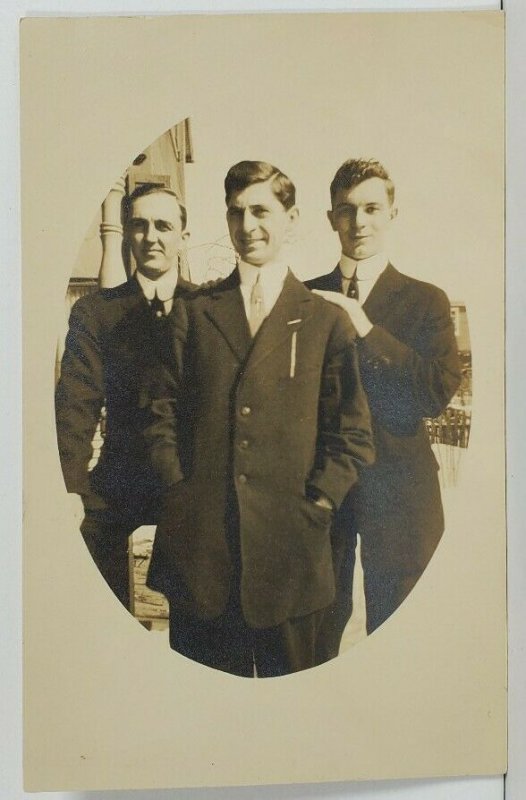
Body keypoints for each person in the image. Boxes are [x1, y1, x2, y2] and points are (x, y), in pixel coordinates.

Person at [145, 161, 375, 677]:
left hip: (292, 559)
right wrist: (179, 487)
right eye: (236, 212)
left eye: (262, 211)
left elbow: (354, 435)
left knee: (293, 722)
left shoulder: (324, 320)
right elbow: (158, 412)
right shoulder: (195, 312)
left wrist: (318, 503)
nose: (248, 226)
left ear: (291, 219)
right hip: (203, 556)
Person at [306, 158, 461, 659]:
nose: (360, 222)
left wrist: (365, 328)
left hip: (401, 491)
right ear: (330, 217)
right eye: (347, 210)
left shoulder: (427, 301)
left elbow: (433, 392)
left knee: (404, 641)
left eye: (372, 208)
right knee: (314, 632)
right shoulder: (307, 299)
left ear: (393, 212)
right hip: (324, 487)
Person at [55, 184, 196, 608]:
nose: (151, 236)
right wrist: (70, 485)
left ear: (182, 237)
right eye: (140, 225)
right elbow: (77, 403)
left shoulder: (208, 305)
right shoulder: (97, 312)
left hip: (189, 475)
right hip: (123, 471)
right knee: (87, 543)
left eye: (164, 226)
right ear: (128, 233)